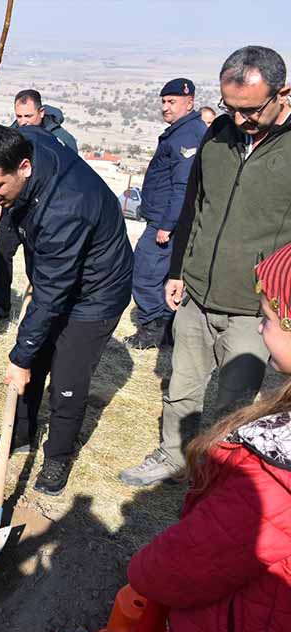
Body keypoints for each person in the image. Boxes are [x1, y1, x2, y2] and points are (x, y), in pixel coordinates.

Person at [120, 45, 291, 487]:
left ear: (282, 93)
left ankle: (215, 474)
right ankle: (172, 456)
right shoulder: (215, 135)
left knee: (235, 401)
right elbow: (193, 208)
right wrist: (177, 271)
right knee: (182, 387)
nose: (238, 119)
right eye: (230, 107)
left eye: (250, 110)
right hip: (196, 290)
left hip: (255, 305)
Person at [127, 241, 291, 632]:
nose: (259, 326)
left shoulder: (273, 476)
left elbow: (173, 569)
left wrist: (141, 571)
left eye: (267, 318)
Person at [0, 124, 133, 495]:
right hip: (57, 273)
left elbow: (54, 292)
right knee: (35, 357)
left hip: (97, 292)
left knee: (68, 379)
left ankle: (58, 455)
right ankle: (21, 433)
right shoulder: (27, 140)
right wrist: (28, 355)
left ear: (24, 167)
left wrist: (19, 356)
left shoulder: (66, 207)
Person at [124, 78, 207, 350]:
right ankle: (166, 331)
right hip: (162, 219)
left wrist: (167, 225)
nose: (165, 107)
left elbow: (183, 186)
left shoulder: (187, 136)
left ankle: (152, 330)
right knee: (160, 276)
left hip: (164, 222)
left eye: (171, 102)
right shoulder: (182, 131)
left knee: (145, 273)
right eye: (163, 102)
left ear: (189, 102)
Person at [0, 89, 81, 321]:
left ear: (41, 112)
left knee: (36, 263)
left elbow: (70, 180)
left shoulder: (62, 141)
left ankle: (39, 312)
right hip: (14, 209)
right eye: (19, 116)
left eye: (28, 116)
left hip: (43, 212)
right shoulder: (12, 136)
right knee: (1, 253)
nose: (23, 122)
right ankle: (1, 304)